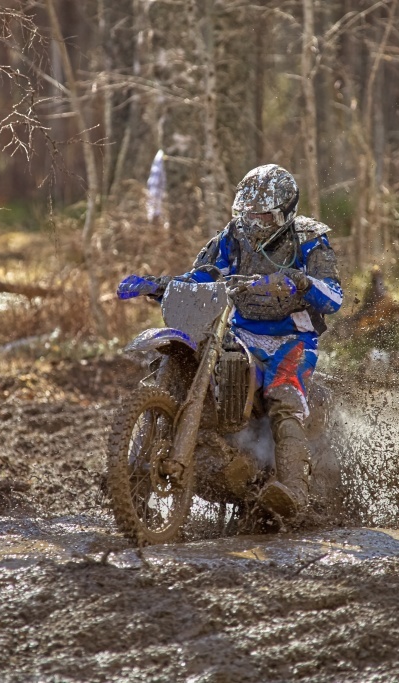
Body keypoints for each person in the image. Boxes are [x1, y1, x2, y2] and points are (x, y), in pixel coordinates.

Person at [118, 164, 342, 520]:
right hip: (237, 330)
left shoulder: (309, 238)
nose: (253, 223)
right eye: (247, 215)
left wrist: (300, 282)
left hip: (291, 339)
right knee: (185, 365)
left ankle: (294, 493)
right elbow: (202, 274)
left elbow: (333, 296)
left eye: (262, 216)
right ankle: (133, 478)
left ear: (283, 213)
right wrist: (157, 284)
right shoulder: (232, 236)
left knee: (284, 397)